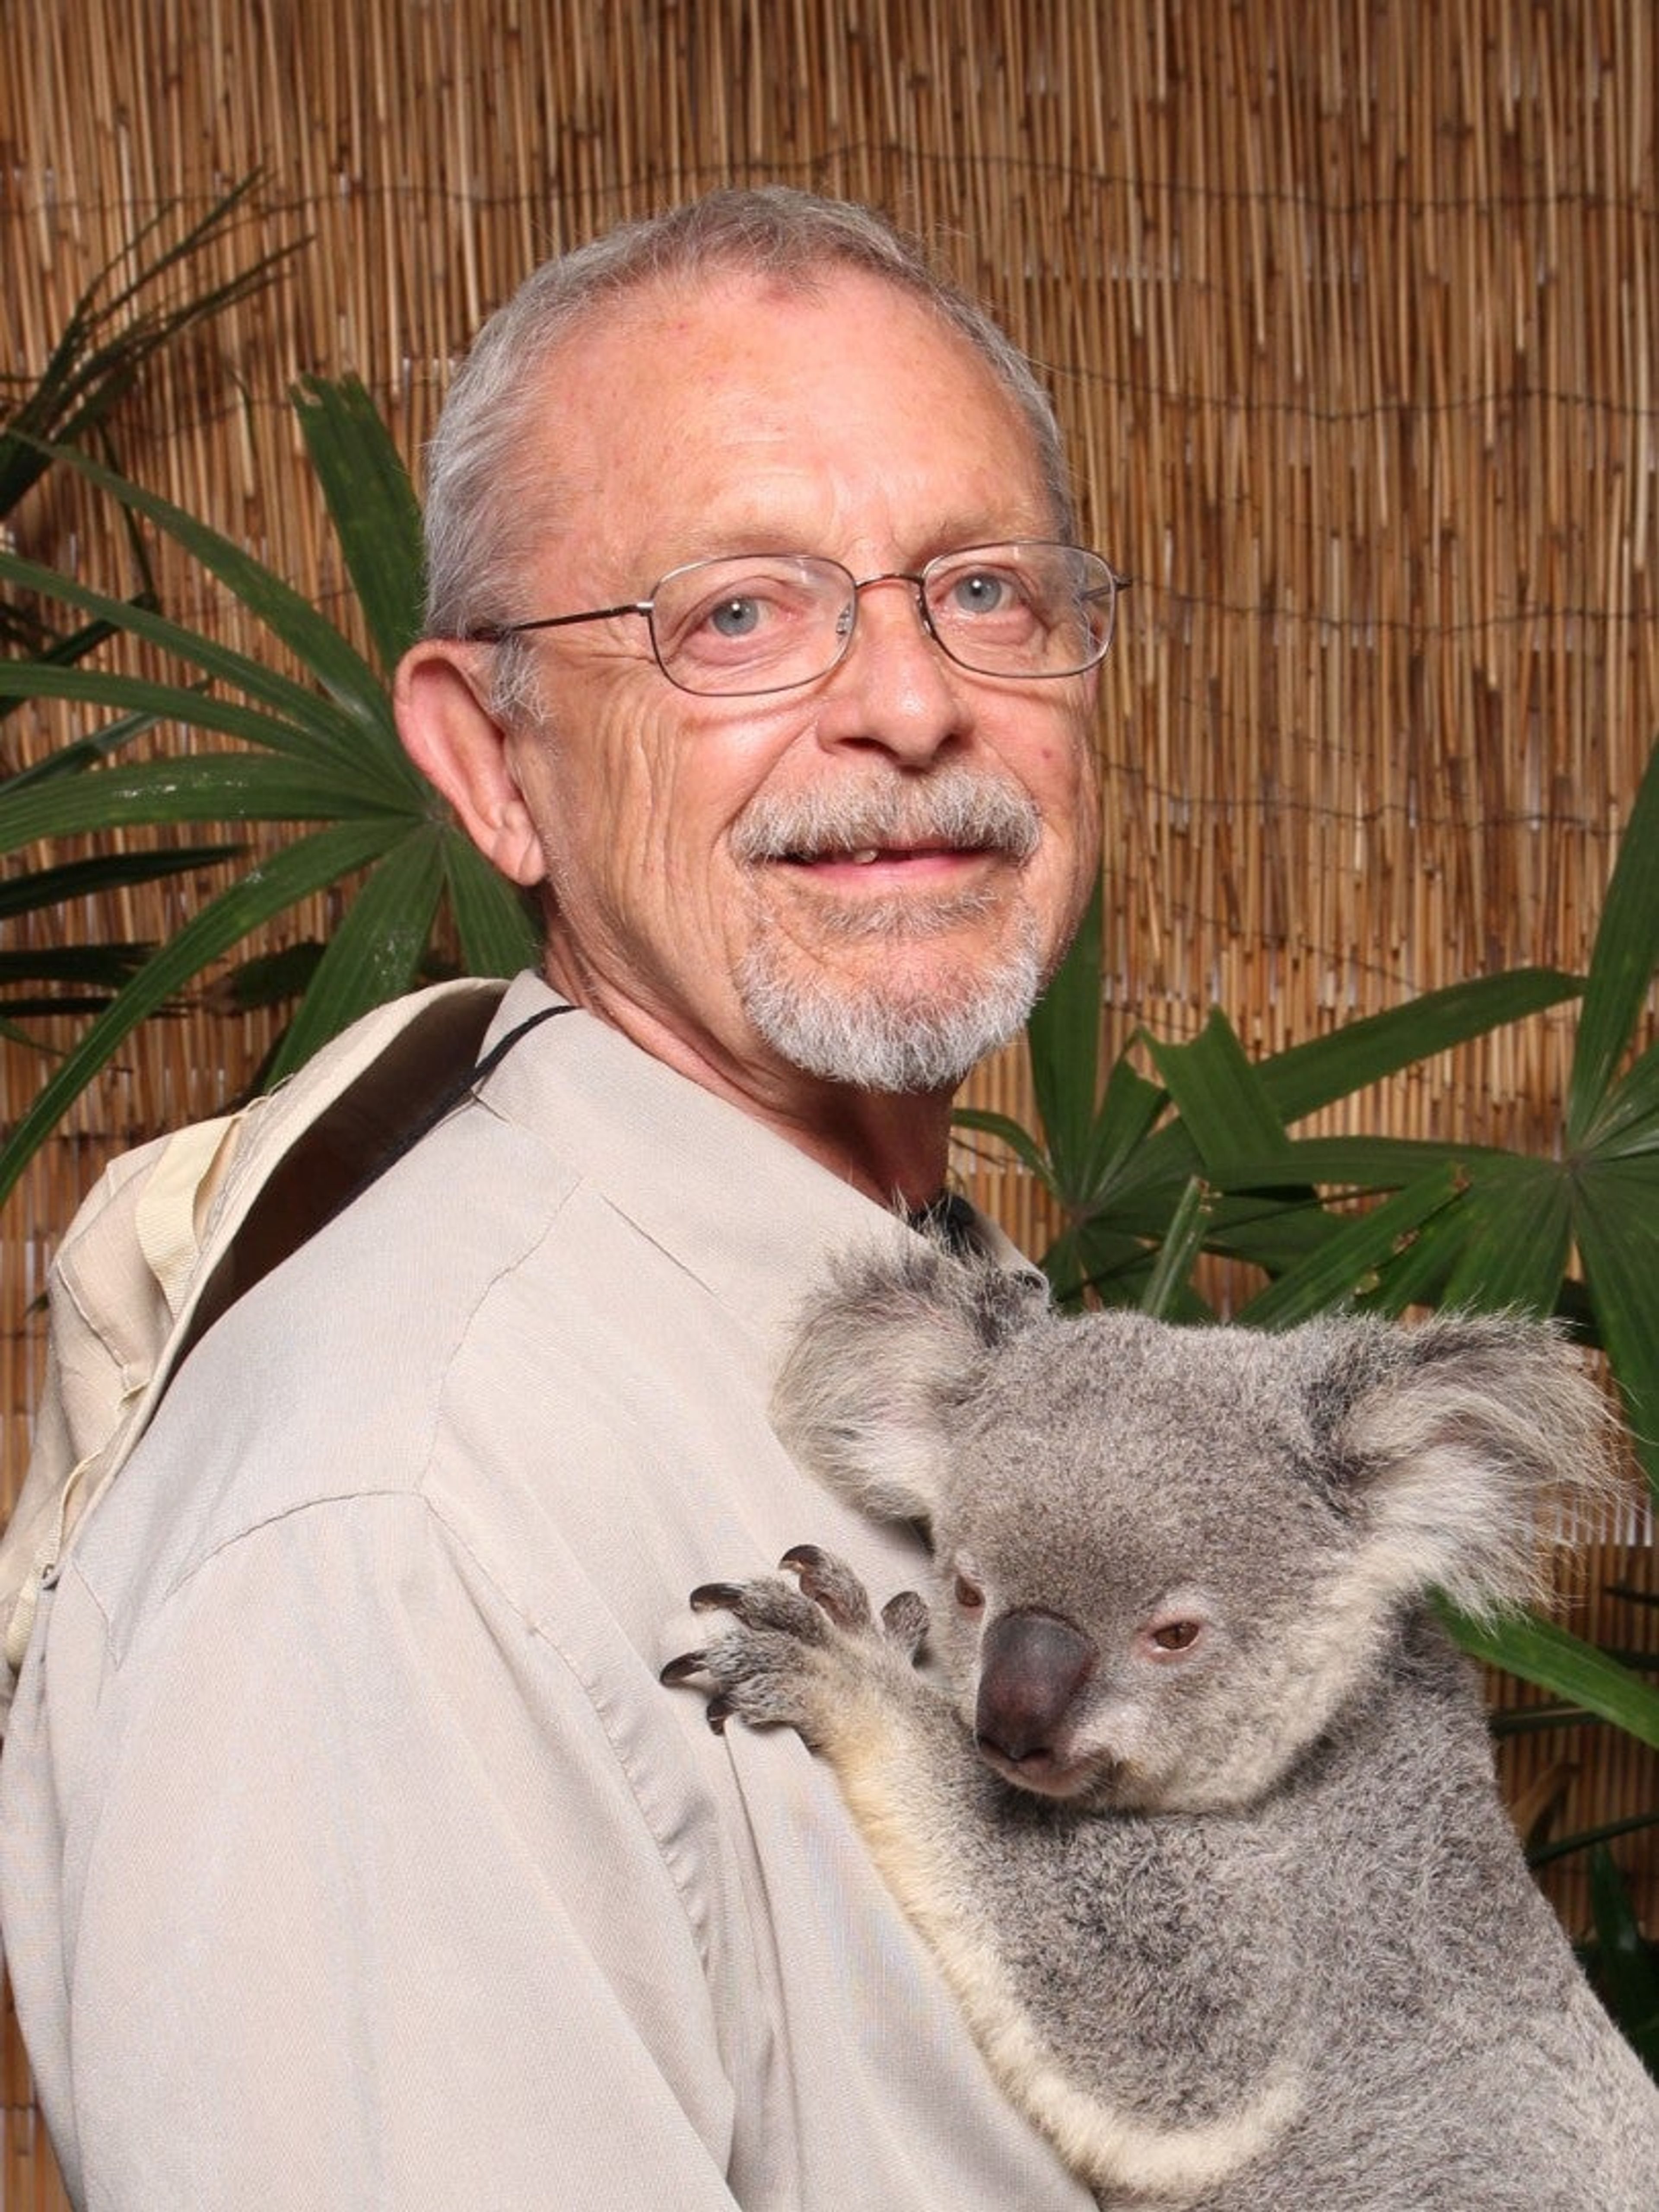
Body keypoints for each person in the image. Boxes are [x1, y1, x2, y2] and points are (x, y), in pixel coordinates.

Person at [0, 187, 1118, 2207]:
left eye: (985, 590)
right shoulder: (399, 1532)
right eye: (739, 615)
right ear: (492, 762)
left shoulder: (934, 1342)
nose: (911, 701)